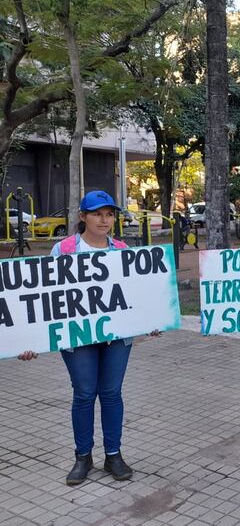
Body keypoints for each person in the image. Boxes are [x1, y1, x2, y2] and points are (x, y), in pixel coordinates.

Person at [18, 190, 158, 486]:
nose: (104, 220)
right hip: (78, 337)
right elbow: (45, 298)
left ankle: (113, 454)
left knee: (111, 393)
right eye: (96, 213)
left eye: (109, 214)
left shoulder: (122, 250)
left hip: (117, 337)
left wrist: (154, 320)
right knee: (83, 394)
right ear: (82, 217)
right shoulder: (64, 250)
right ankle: (83, 457)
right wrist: (26, 340)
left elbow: (139, 295)